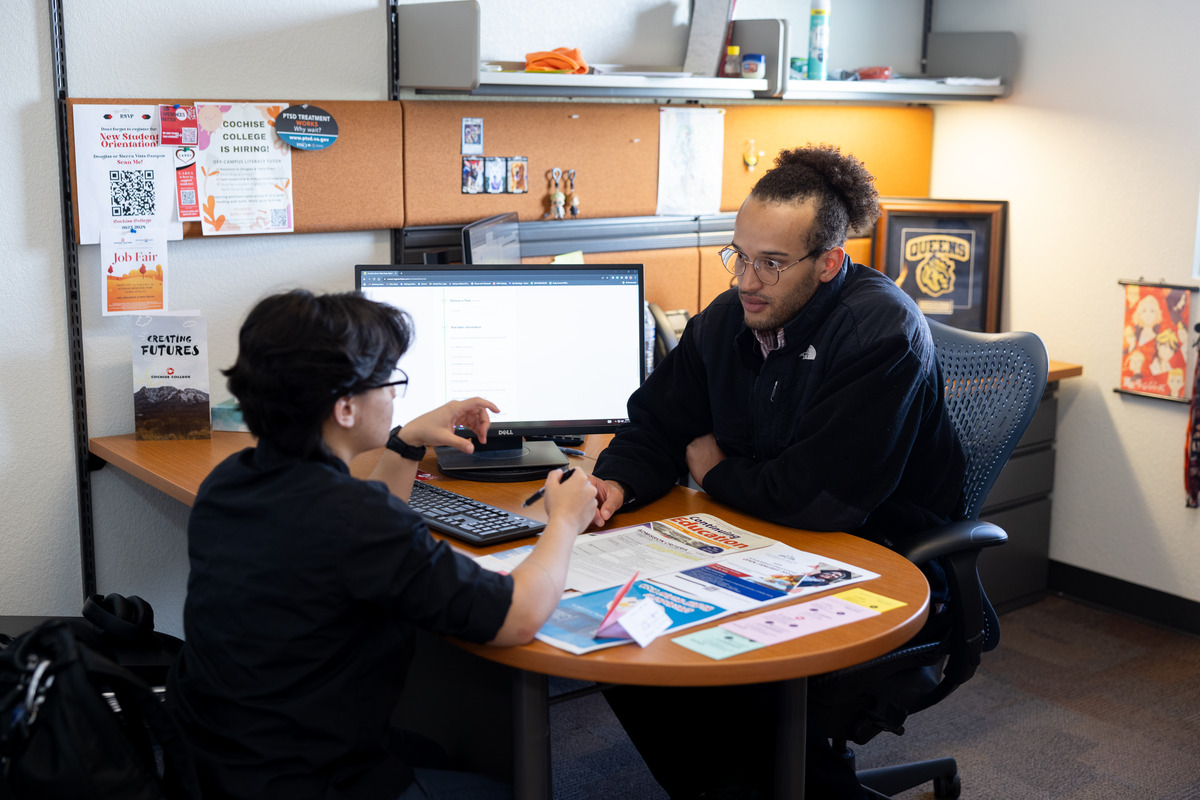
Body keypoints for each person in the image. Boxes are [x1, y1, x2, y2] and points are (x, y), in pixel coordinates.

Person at [588, 145, 967, 799]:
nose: (745, 281)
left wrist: (712, 472)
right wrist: (615, 482)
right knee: (621, 641)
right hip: (759, 540)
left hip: (878, 562)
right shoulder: (729, 319)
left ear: (828, 264)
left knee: (725, 673)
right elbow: (659, 424)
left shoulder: (880, 333)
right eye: (738, 255)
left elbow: (819, 501)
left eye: (770, 262)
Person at [165, 290, 596, 800]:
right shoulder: (355, 520)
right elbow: (518, 616)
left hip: (213, 761)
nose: (396, 396)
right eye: (391, 381)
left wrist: (406, 442)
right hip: (301, 780)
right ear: (345, 407)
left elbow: (357, 540)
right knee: (505, 790)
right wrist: (564, 521)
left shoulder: (231, 481)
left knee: (431, 753)